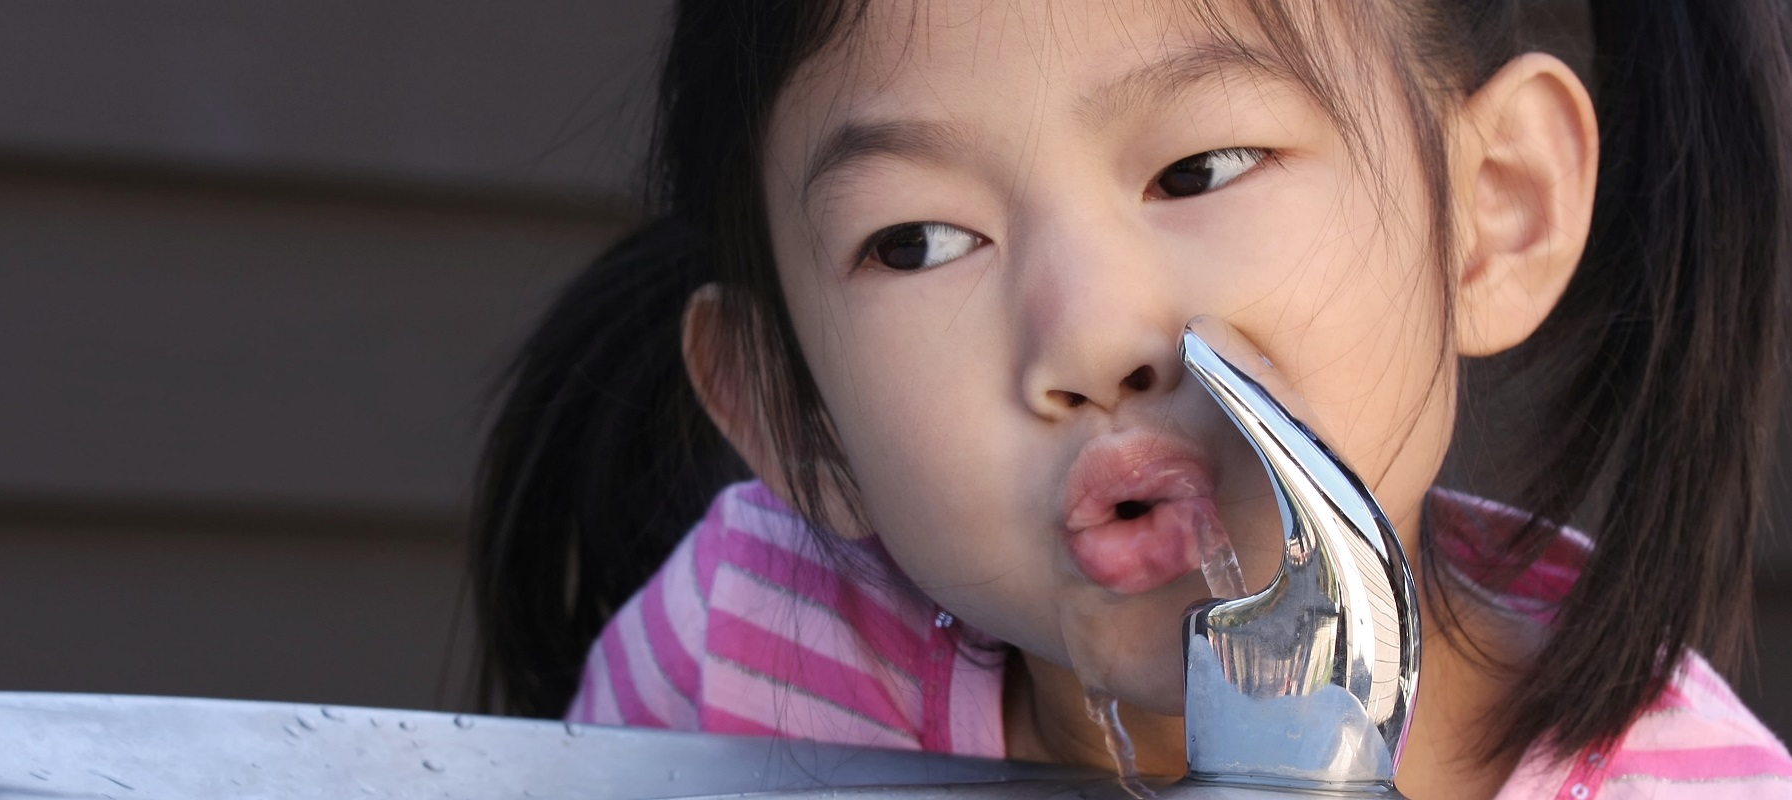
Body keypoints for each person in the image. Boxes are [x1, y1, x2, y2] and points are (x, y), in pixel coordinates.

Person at [472, 0, 1792, 796]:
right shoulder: (745, 659)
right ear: (792, 413)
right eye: (917, 241)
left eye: (1203, 165)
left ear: (1493, 212)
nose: (1089, 338)